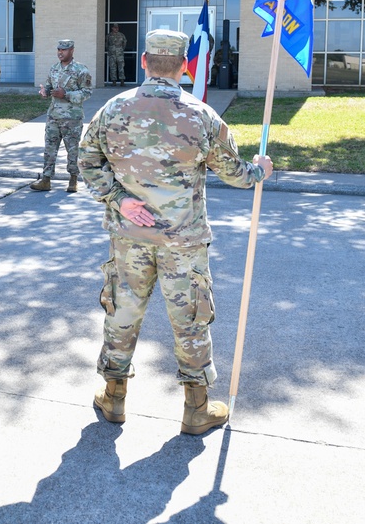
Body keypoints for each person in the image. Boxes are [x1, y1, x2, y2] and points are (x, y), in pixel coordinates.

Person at [79, 29, 274, 435]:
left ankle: (114, 398)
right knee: (189, 320)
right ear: (184, 66)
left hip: (130, 237)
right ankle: (196, 409)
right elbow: (235, 173)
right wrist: (260, 170)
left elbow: (87, 159)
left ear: (145, 61)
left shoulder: (112, 109)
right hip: (182, 242)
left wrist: (118, 198)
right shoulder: (201, 115)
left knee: (123, 313)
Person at [30, 39, 92, 193]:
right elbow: (49, 86)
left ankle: (73, 179)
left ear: (72, 50)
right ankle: (46, 179)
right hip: (54, 115)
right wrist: (45, 92)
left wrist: (67, 94)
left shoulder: (81, 70)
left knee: (72, 149)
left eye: (64, 50)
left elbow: (87, 92)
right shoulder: (54, 69)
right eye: (58, 49)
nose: (60, 52)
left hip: (72, 117)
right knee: (49, 148)